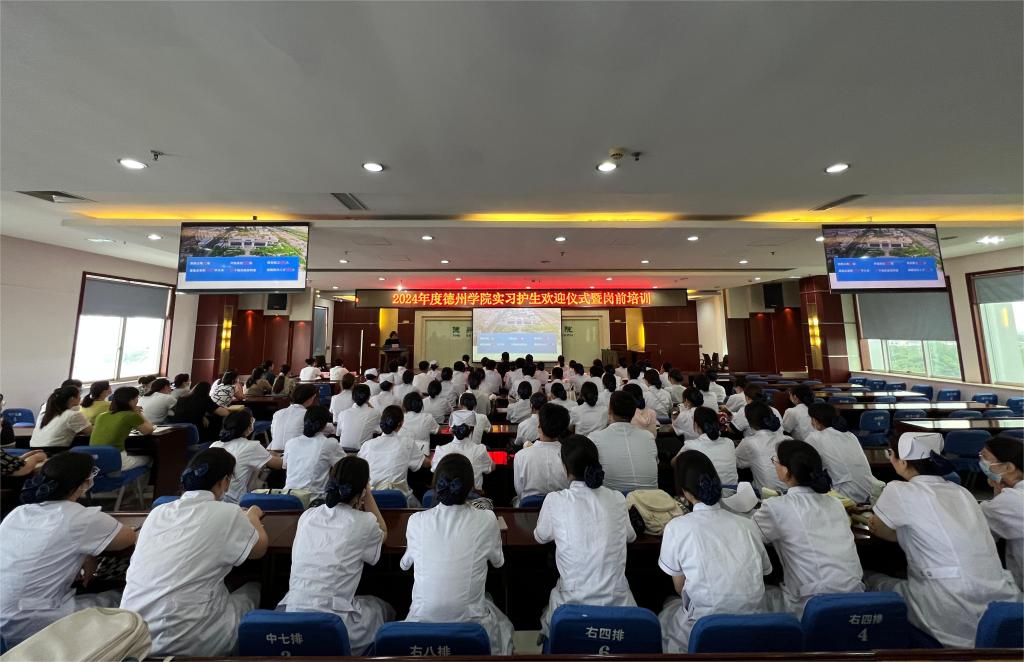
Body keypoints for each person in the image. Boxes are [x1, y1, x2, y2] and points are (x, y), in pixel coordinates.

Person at [866, 432, 1019, 648]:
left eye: (891, 454)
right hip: (998, 597)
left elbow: (881, 530)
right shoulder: (962, 492)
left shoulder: (898, 489)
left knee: (871, 580)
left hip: (945, 603)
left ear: (902, 462)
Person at [120, 448, 266, 656]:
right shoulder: (229, 512)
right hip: (193, 639)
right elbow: (259, 549)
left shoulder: (157, 513)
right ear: (225, 482)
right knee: (254, 588)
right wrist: (253, 515)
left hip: (135, 639)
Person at [0, 452, 136, 647]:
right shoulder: (80, 517)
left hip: (6, 615)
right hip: (29, 622)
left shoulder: (19, 512)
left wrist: (87, 551)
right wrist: (88, 550)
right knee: (122, 601)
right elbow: (129, 538)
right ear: (85, 482)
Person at [658, 450, 771, 653]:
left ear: (685, 492)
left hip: (705, 626)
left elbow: (679, 588)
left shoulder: (677, 527)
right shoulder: (747, 525)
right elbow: (763, 573)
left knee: (666, 612)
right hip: (754, 625)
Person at [401, 454, 514, 654]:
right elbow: (498, 562)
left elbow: (404, 565)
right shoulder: (486, 519)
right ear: (470, 487)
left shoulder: (416, 520)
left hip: (421, 622)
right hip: (472, 626)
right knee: (500, 619)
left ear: (436, 484)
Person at [279, 456, 393, 654]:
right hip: (334, 625)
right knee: (382, 608)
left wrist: (362, 490)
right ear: (362, 492)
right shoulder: (364, 522)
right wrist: (367, 493)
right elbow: (383, 531)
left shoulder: (307, 516)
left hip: (293, 614)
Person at [534, 434, 635, 635]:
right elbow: (630, 536)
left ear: (565, 469)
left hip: (571, 607)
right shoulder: (616, 498)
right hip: (619, 608)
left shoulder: (555, 500)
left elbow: (541, 536)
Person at [754, 440, 864, 617]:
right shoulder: (835, 503)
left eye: (776, 461)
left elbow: (751, 536)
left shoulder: (776, 507)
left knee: (749, 597)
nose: (774, 464)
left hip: (812, 604)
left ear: (786, 471)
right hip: (856, 598)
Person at [804, 403, 883, 504]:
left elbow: (803, 462)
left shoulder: (815, 438)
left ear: (815, 420)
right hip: (870, 491)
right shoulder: (850, 435)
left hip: (848, 496)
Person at [358, 406, 430, 505]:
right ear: (401, 423)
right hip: (399, 498)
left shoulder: (367, 445)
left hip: (371, 500)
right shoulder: (406, 443)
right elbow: (426, 464)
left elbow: (359, 470)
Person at [978, 435, 1024, 590]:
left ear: (1008, 467)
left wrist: (998, 494)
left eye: (985, 457)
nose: (981, 462)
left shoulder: (1010, 500)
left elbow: (977, 523)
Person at [588, 391, 657, 493]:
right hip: (651, 498)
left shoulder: (594, 438)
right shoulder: (648, 437)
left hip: (614, 499)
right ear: (634, 412)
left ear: (609, 410)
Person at [210, 410, 283, 504]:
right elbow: (279, 464)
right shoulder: (252, 446)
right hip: (237, 502)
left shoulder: (215, 444)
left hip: (215, 499)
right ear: (248, 428)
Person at [283, 406, 346, 496]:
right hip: (313, 499)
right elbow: (345, 466)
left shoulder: (290, 443)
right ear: (325, 425)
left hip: (288, 497)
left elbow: (286, 468)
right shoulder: (329, 443)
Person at [515, 404, 571, 503]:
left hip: (529, 509)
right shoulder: (570, 455)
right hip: (562, 507)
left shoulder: (521, 455)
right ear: (563, 429)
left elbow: (519, 491)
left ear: (539, 426)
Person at [89, 387, 153, 470]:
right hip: (116, 459)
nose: (137, 401)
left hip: (96, 460)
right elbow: (149, 430)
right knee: (149, 459)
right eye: (137, 398)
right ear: (131, 401)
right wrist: (138, 413)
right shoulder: (130, 415)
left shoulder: (101, 416)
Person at [432, 410, 493, 492]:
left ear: (451, 430)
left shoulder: (440, 450)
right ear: (472, 429)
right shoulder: (480, 450)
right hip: (473, 496)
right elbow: (491, 467)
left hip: (446, 497)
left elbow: (434, 470)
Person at [735, 401, 788, 494]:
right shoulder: (788, 439)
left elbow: (737, 463)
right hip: (790, 491)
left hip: (766, 494)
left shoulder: (749, 443)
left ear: (749, 422)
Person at [679, 407, 738, 487]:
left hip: (708, 492)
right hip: (733, 491)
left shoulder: (691, 445)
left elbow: (675, 462)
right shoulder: (729, 442)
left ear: (695, 424)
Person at [268, 384, 320, 452]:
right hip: (295, 454)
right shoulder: (307, 414)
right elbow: (321, 430)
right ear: (311, 398)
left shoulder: (277, 413)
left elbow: (273, 434)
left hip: (274, 452)